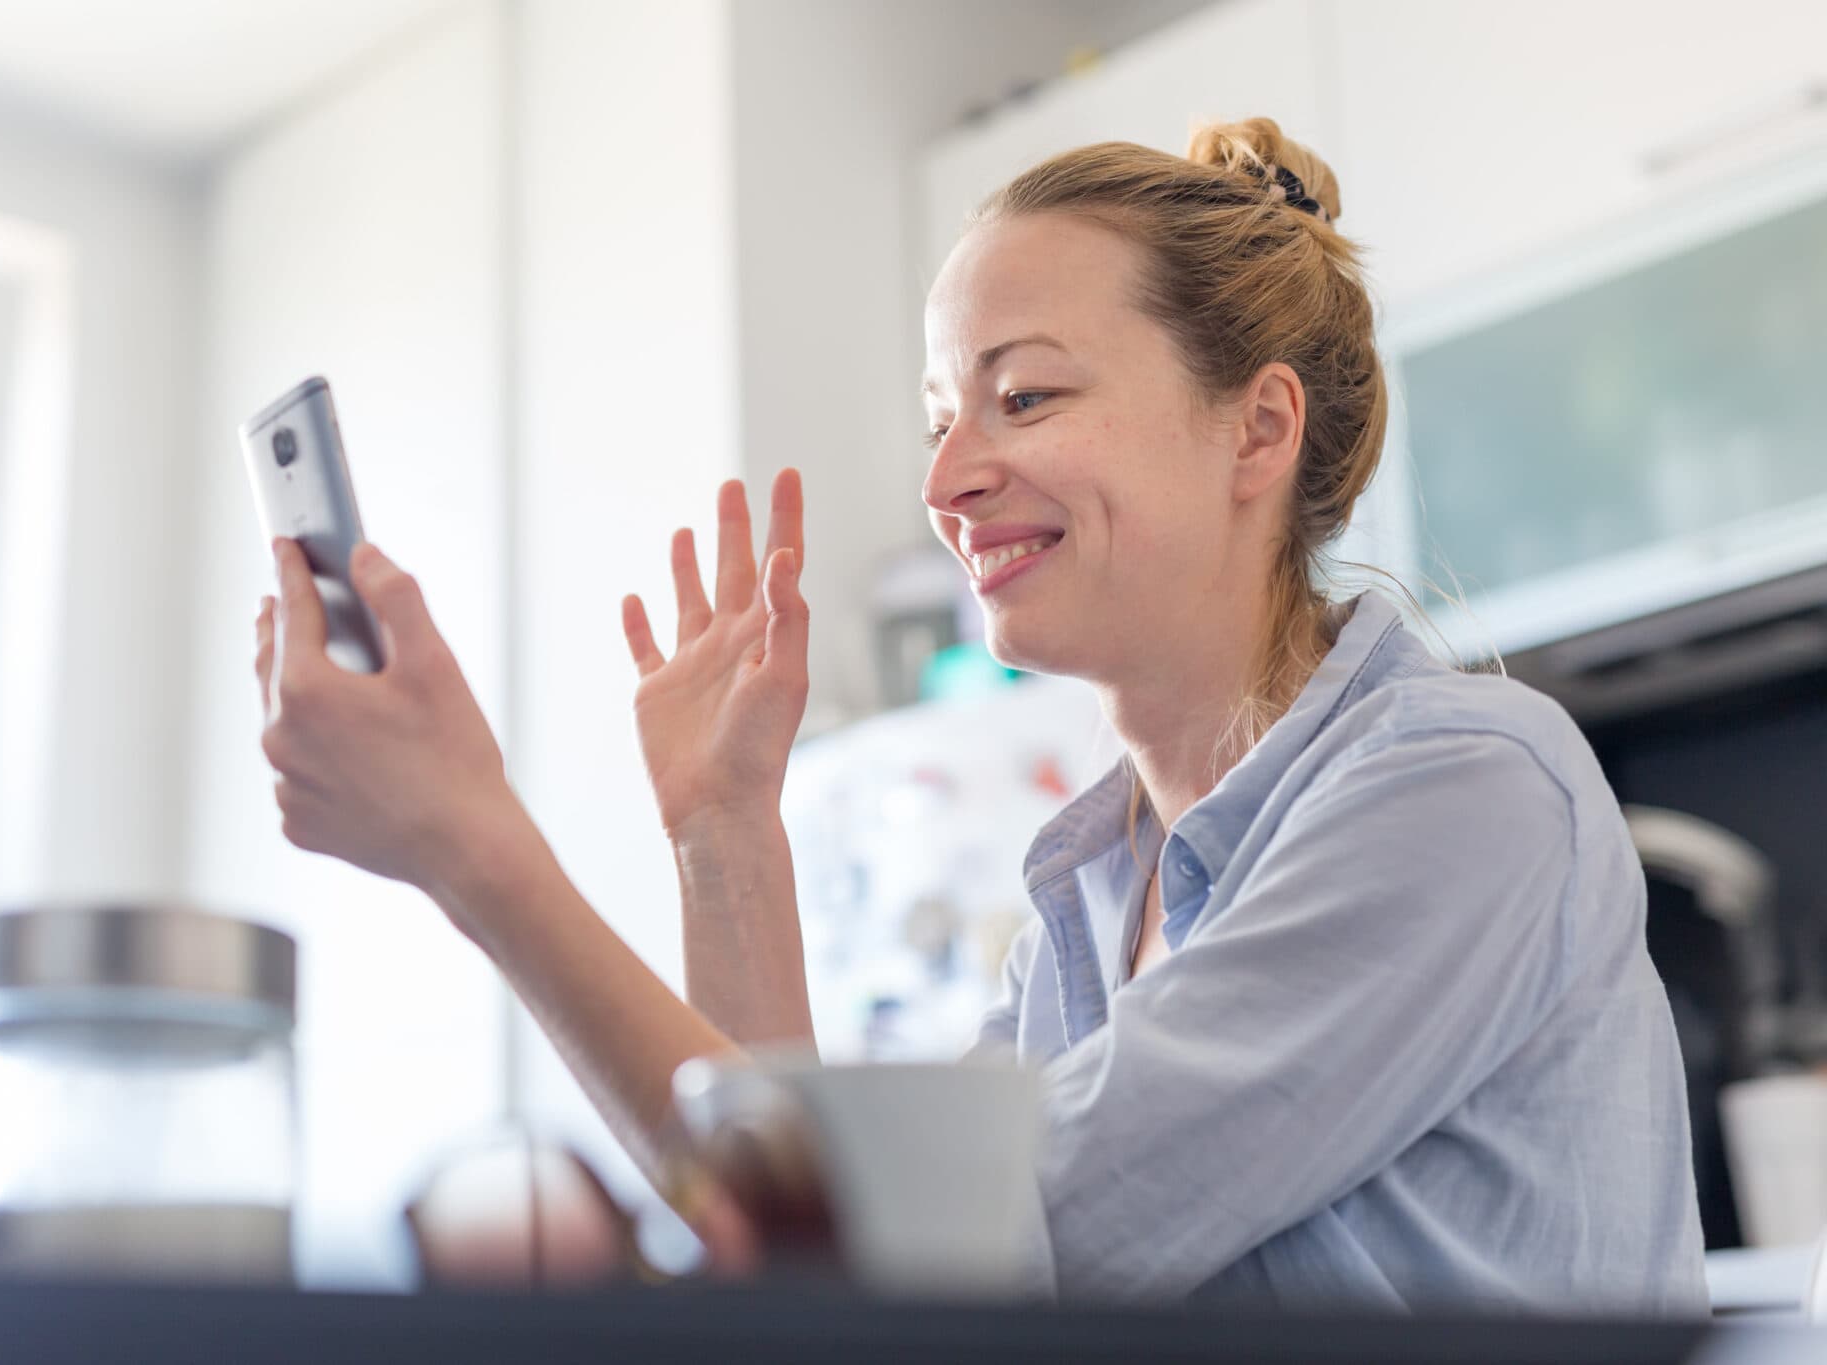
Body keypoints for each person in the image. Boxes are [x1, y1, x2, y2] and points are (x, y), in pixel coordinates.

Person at [251, 117, 1708, 1314]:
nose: (946, 480)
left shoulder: (1468, 791)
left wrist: (479, 859)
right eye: (940, 415)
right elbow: (829, 1272)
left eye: (1022, 398)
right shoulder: (1092, 904)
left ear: (1259, 428)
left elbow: (954, 1263)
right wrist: (723, 833)